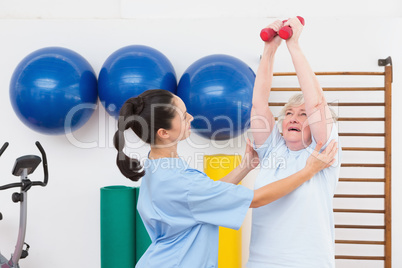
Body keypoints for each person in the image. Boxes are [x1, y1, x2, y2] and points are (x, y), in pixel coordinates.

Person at [113, 89, 337, 268]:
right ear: (164, 132)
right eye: (183, 115)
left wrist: (244, 167)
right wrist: (308, 171)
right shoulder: (180, 182)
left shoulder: (158, 167)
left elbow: (206, 197)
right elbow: (256, 199)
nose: (190, 116)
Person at [247, 18, 342, 267]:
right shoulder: (272, 150)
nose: (294, 118)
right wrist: (270, 49)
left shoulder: (322, 151)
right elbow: (259, 102)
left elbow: (317, 104)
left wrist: (294, 45)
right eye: (289, 113)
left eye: (303, 115)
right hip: (261, 262)